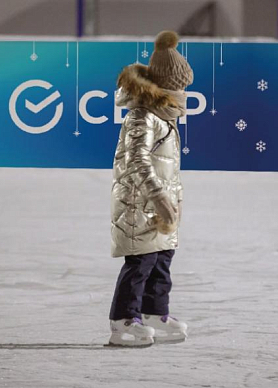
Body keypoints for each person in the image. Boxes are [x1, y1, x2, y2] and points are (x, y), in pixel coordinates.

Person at [108, 30, 193, 347]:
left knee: (161, 258)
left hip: (159, 206)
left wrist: (170, 202)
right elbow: (138, 161)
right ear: (166, 86)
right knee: (140, 262)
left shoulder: (164, 116)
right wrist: (158, 198)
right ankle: (123, 321)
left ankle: (154, 313)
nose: (184, 91)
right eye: (180, 85)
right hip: (138, 204)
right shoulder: (143, 116)